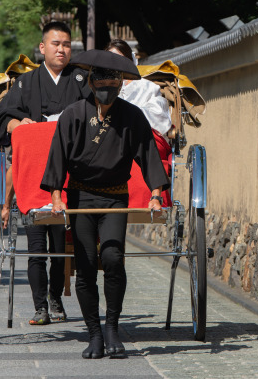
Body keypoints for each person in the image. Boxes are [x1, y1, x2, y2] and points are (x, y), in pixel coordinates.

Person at [40, 49, 170, 359]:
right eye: (102, 82)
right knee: (85, 266)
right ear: (91, 82)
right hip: (81, 196)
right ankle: (94, 334)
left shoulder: (131, 116)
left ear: (121, 84)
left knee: (112, 257)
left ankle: (112, 327)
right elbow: (58, 156)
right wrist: (56, 196)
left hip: (115, 196)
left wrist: (155, 194)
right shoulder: (73, 114)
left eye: (114, 83)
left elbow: (148, 155)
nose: (107, 88)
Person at [0, 20, 89, 326]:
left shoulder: (80, 79)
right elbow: (5, 118)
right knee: (36, 247)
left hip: (69, 176)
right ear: (42, 47)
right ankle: (40, 306)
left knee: (60, 247)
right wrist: (19, 126)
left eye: (66, 44)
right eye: (55, 43)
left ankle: (56, 298)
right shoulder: (26, 82)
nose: (61, 49)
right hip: (34, 175)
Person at [105, 39, 173, 207]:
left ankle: (150, 196)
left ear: (130, 60)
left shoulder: (146, 87)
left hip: (142, 137)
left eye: (120, 58)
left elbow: (159, 117)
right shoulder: (101, 86)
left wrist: (129, 119)